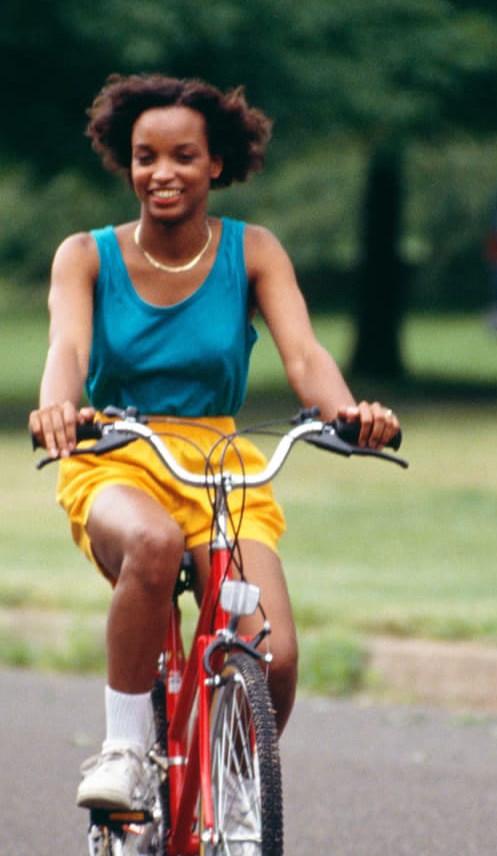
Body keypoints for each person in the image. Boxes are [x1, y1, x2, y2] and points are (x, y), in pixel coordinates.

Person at [28, 73, 401, 810]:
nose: (162, 173)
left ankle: (228, 794)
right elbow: (67, 350)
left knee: (277, 655)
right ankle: (127, 751)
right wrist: (57, 410)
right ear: (125, 162)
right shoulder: (87, 255)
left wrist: (348, 413)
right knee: (152, 544)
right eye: (145, 157)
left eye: (183, 157)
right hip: (115, 454)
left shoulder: (254, 251)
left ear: (217, 165)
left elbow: (303, 357)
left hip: (222, 465)